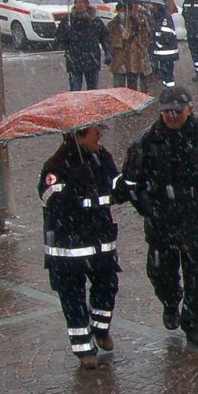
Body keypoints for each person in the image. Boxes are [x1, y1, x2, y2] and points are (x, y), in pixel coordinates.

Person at [119, 86, 198, 348]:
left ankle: (194, 322)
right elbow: (131, 181)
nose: (171, 116)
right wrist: (147, 207)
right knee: (160, 273)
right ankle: (170, 302)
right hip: (162, 222)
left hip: (197, 222)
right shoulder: (145, 142)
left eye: (176, 111)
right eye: (166, 111)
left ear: (189, 109)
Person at [39, 123, 126, 370]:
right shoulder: (55, 165)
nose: (100, 135)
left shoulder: (102, 156)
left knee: (108, 288)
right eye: (95, 131)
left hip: (100, 242)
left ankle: (100, 328)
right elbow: (47, 197)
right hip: (68, 249)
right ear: (79, 135)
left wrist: (124, 186)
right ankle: (84, 348)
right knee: (73, 297)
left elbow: (114, 182)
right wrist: (71, 187)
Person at [54, 0, 109, 91]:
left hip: (92, 60)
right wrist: (65, 34)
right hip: (74, 60)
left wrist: (108, 52)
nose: (79, 5)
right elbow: (58, 39)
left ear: (87, 4)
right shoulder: (68, 20)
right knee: (75, 91)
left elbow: (104, 37)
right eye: (76, 2)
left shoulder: (95, 21)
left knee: (92, 92)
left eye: (81, 2)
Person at [107, 1, 152, 91]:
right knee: (119, 88)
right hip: (120, 59)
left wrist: (138, 43)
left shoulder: (140, 20)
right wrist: (120, 38)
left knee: (133, 87)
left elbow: (146, 36)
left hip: (134, 58)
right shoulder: (115, 23)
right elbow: (109, 38)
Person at [149, 1, 180, 89]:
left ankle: (170, 91)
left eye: (153, 5)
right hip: (162, 53)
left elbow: (167, 34)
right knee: (165, 74)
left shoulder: (164, 17)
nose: (151, 7)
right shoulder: (158, 16)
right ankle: (167, 90)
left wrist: (158, 43)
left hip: (167, 53)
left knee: (168, 75)